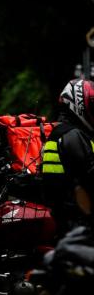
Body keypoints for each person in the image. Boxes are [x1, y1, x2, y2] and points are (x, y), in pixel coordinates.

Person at [40, 78, 94, 235]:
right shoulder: (72, 135)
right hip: (76, 222)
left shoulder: (62, 131)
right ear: (79, 103)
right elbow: (90, 177)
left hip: (65, 216)